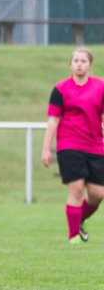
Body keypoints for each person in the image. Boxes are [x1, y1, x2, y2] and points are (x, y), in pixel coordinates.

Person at [41, 47, 104, 244]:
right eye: (75, 60)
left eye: (83, 61)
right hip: (69, 145)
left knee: (97, 194)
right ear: (70, 64)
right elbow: (53, 120)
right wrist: (46, 148)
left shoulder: (100, 87)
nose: (79, 64)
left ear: (90, 65)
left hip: (95, 146)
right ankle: (73, 237)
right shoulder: (60, 89)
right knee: (76, 189)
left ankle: (80, 220)